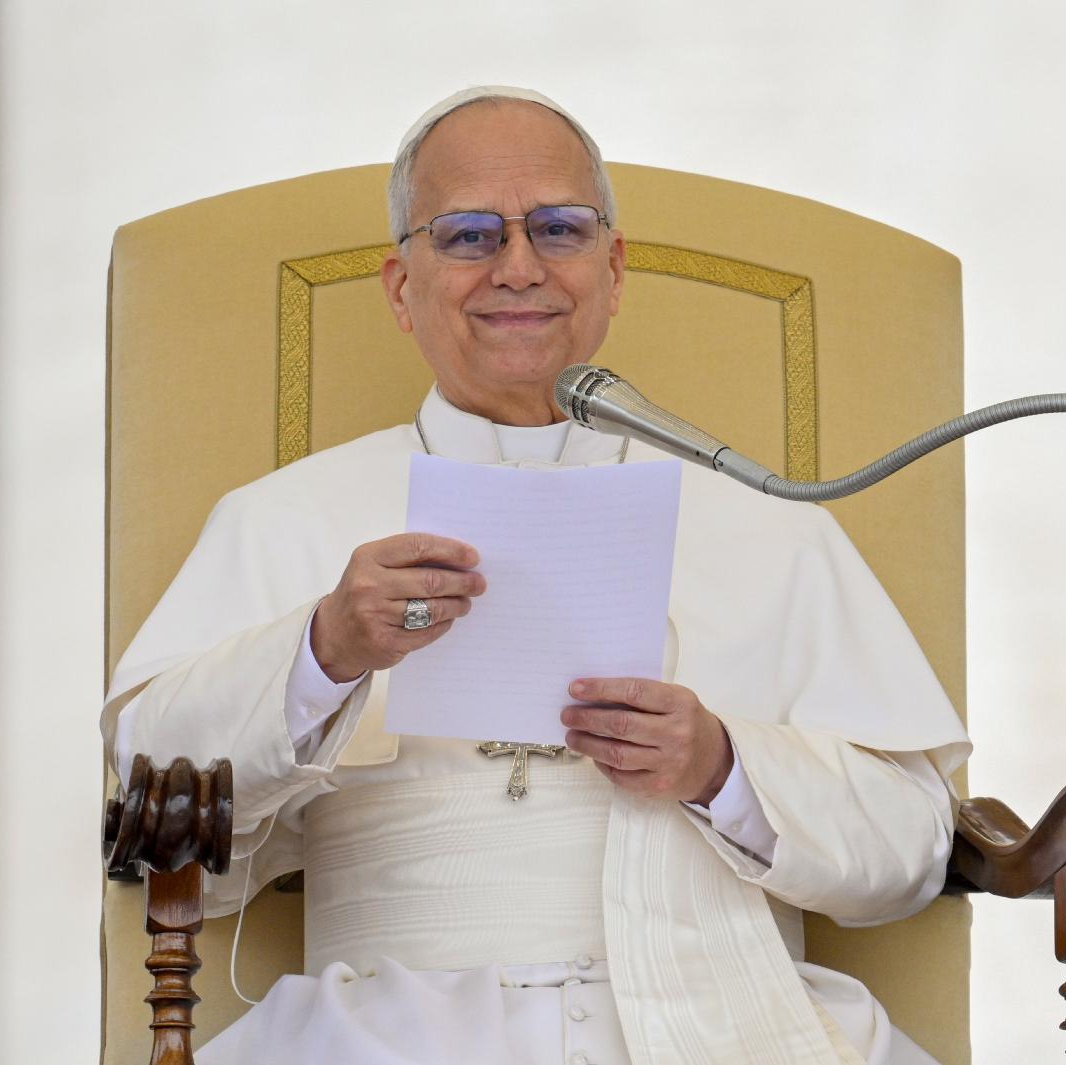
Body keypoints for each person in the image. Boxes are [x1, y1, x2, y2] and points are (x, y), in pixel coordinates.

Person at [103, 86, 971, 1065]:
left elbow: (910, 847)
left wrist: (720, 766)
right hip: (387, 1031)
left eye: (558, 228)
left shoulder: (769, 525)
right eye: (469, 235)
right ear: (400, 287)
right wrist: (323, 649)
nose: (518, 266)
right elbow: (147, 795)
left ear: (613, 269)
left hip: (728, 1022)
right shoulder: (285, 518)